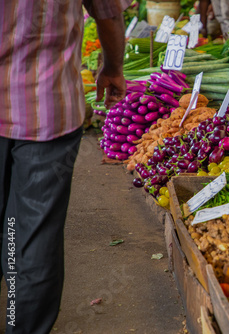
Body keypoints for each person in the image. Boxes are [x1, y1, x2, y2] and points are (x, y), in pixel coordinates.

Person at [0, 1, 129, 332]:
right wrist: (113, 68)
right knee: (33, 236)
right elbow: (110, 12)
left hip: (43, 112)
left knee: (16, 234)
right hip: (47, 107)